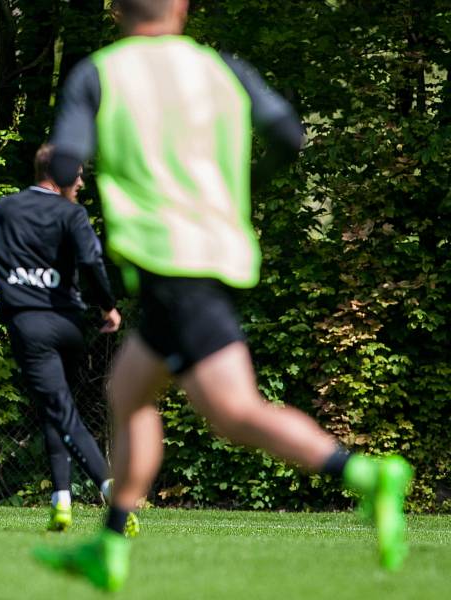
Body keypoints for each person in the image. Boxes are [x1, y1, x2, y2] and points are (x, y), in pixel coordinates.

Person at [33, 0, 412, 591]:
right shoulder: (223, 69)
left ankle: (365, 473)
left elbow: (66, 158)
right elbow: (289, 135)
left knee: (233, 413)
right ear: (182, 7)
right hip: (215, 253)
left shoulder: (99, 73)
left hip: (169, 259)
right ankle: (111, 543)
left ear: (114, 11)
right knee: (130, 390)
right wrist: (245, 188)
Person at [0, 144, 137, 535]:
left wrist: (4, 270)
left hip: (31, 325)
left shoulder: (8, 207)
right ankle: (61, 499)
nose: (80, 182)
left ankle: (113, 493)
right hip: (70, 325)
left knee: (60, 411)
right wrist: (107, 306)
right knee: (57, 407)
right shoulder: (72, 213)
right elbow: (91, 261)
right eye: (76, 175)